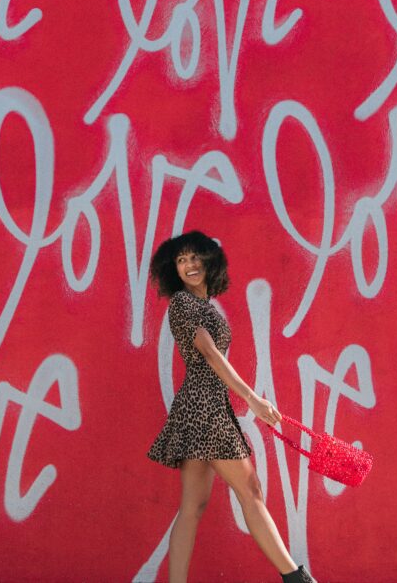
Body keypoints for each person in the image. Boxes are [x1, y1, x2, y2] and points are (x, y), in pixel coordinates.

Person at [147, 231, 316, 583]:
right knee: (250, 490)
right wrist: (253, 399)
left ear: (209, 260)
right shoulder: (183, 303)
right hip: (204, 408)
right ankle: (295, 578)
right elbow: (209, 354)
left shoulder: (203, 305)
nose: (189, 265)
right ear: (172, 271)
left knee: (193, 508)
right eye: (181, 261)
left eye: (194, 257)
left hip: (199, 408)